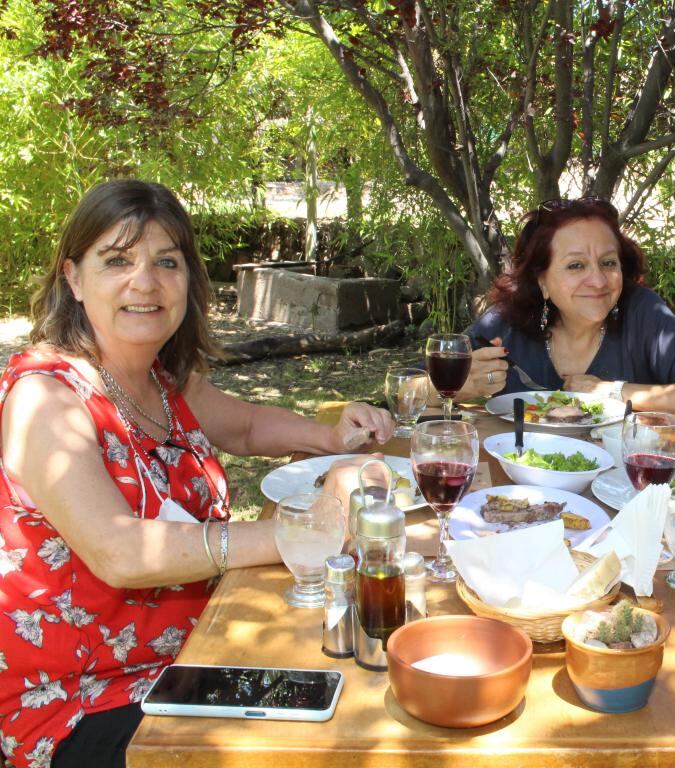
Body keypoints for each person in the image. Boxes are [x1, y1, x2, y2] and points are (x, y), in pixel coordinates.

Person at [0, 180, 394, 768]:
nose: (145, 281)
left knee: (357, 698)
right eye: (117, 261)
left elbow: (247, 428)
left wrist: (332, 439)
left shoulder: (161, 378)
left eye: (166, 261)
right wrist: (306, 530)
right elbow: (120, 553)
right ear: (74, 278)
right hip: (85, 700)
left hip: (199, 654)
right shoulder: (45, 397)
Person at [459, 197, 675, 423]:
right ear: (541, 281)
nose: (598, 281)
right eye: (576, 265)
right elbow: (419, 388)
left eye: (607, 263)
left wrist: (611, 391)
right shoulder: (507, 321)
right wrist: (465, 384)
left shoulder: (643, 311)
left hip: (620, 486)